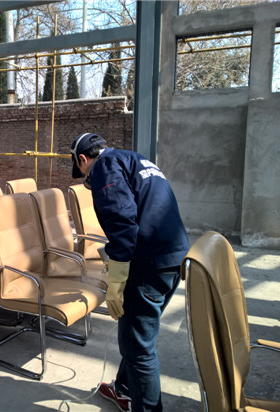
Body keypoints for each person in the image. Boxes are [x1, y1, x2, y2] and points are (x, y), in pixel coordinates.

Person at [70, 133, 189, 412]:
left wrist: (117, 275)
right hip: (175, 258)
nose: (86, 178)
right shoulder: (135, 159)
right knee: (139, 336)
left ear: (83, 159)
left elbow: (122, 220)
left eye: (82, 171)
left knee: (138, 349)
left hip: (148, 265)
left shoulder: (104, 166)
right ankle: (123, 388)